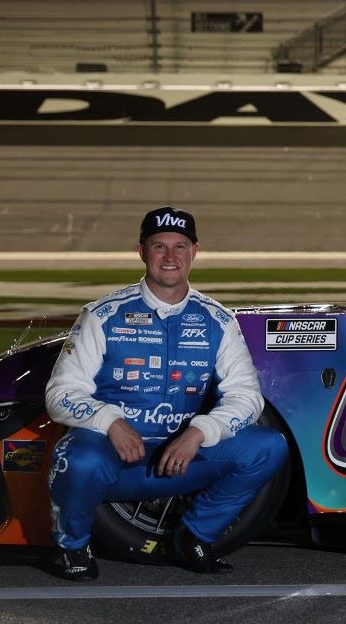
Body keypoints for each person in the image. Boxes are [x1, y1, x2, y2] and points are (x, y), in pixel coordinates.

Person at [44, 207, 286, 581]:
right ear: (142, 251)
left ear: (195, 252)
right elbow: (60, 392)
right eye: (160, 246)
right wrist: (111, 422)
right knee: (75, 459)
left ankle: (193, 538)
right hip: (115, 461)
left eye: (180, 246)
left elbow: (247, 397)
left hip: (183, 459)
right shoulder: (103, 314)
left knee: (267, 446)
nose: (170, 257)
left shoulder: (218, 319)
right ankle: (72, 547)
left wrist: (199, 432)